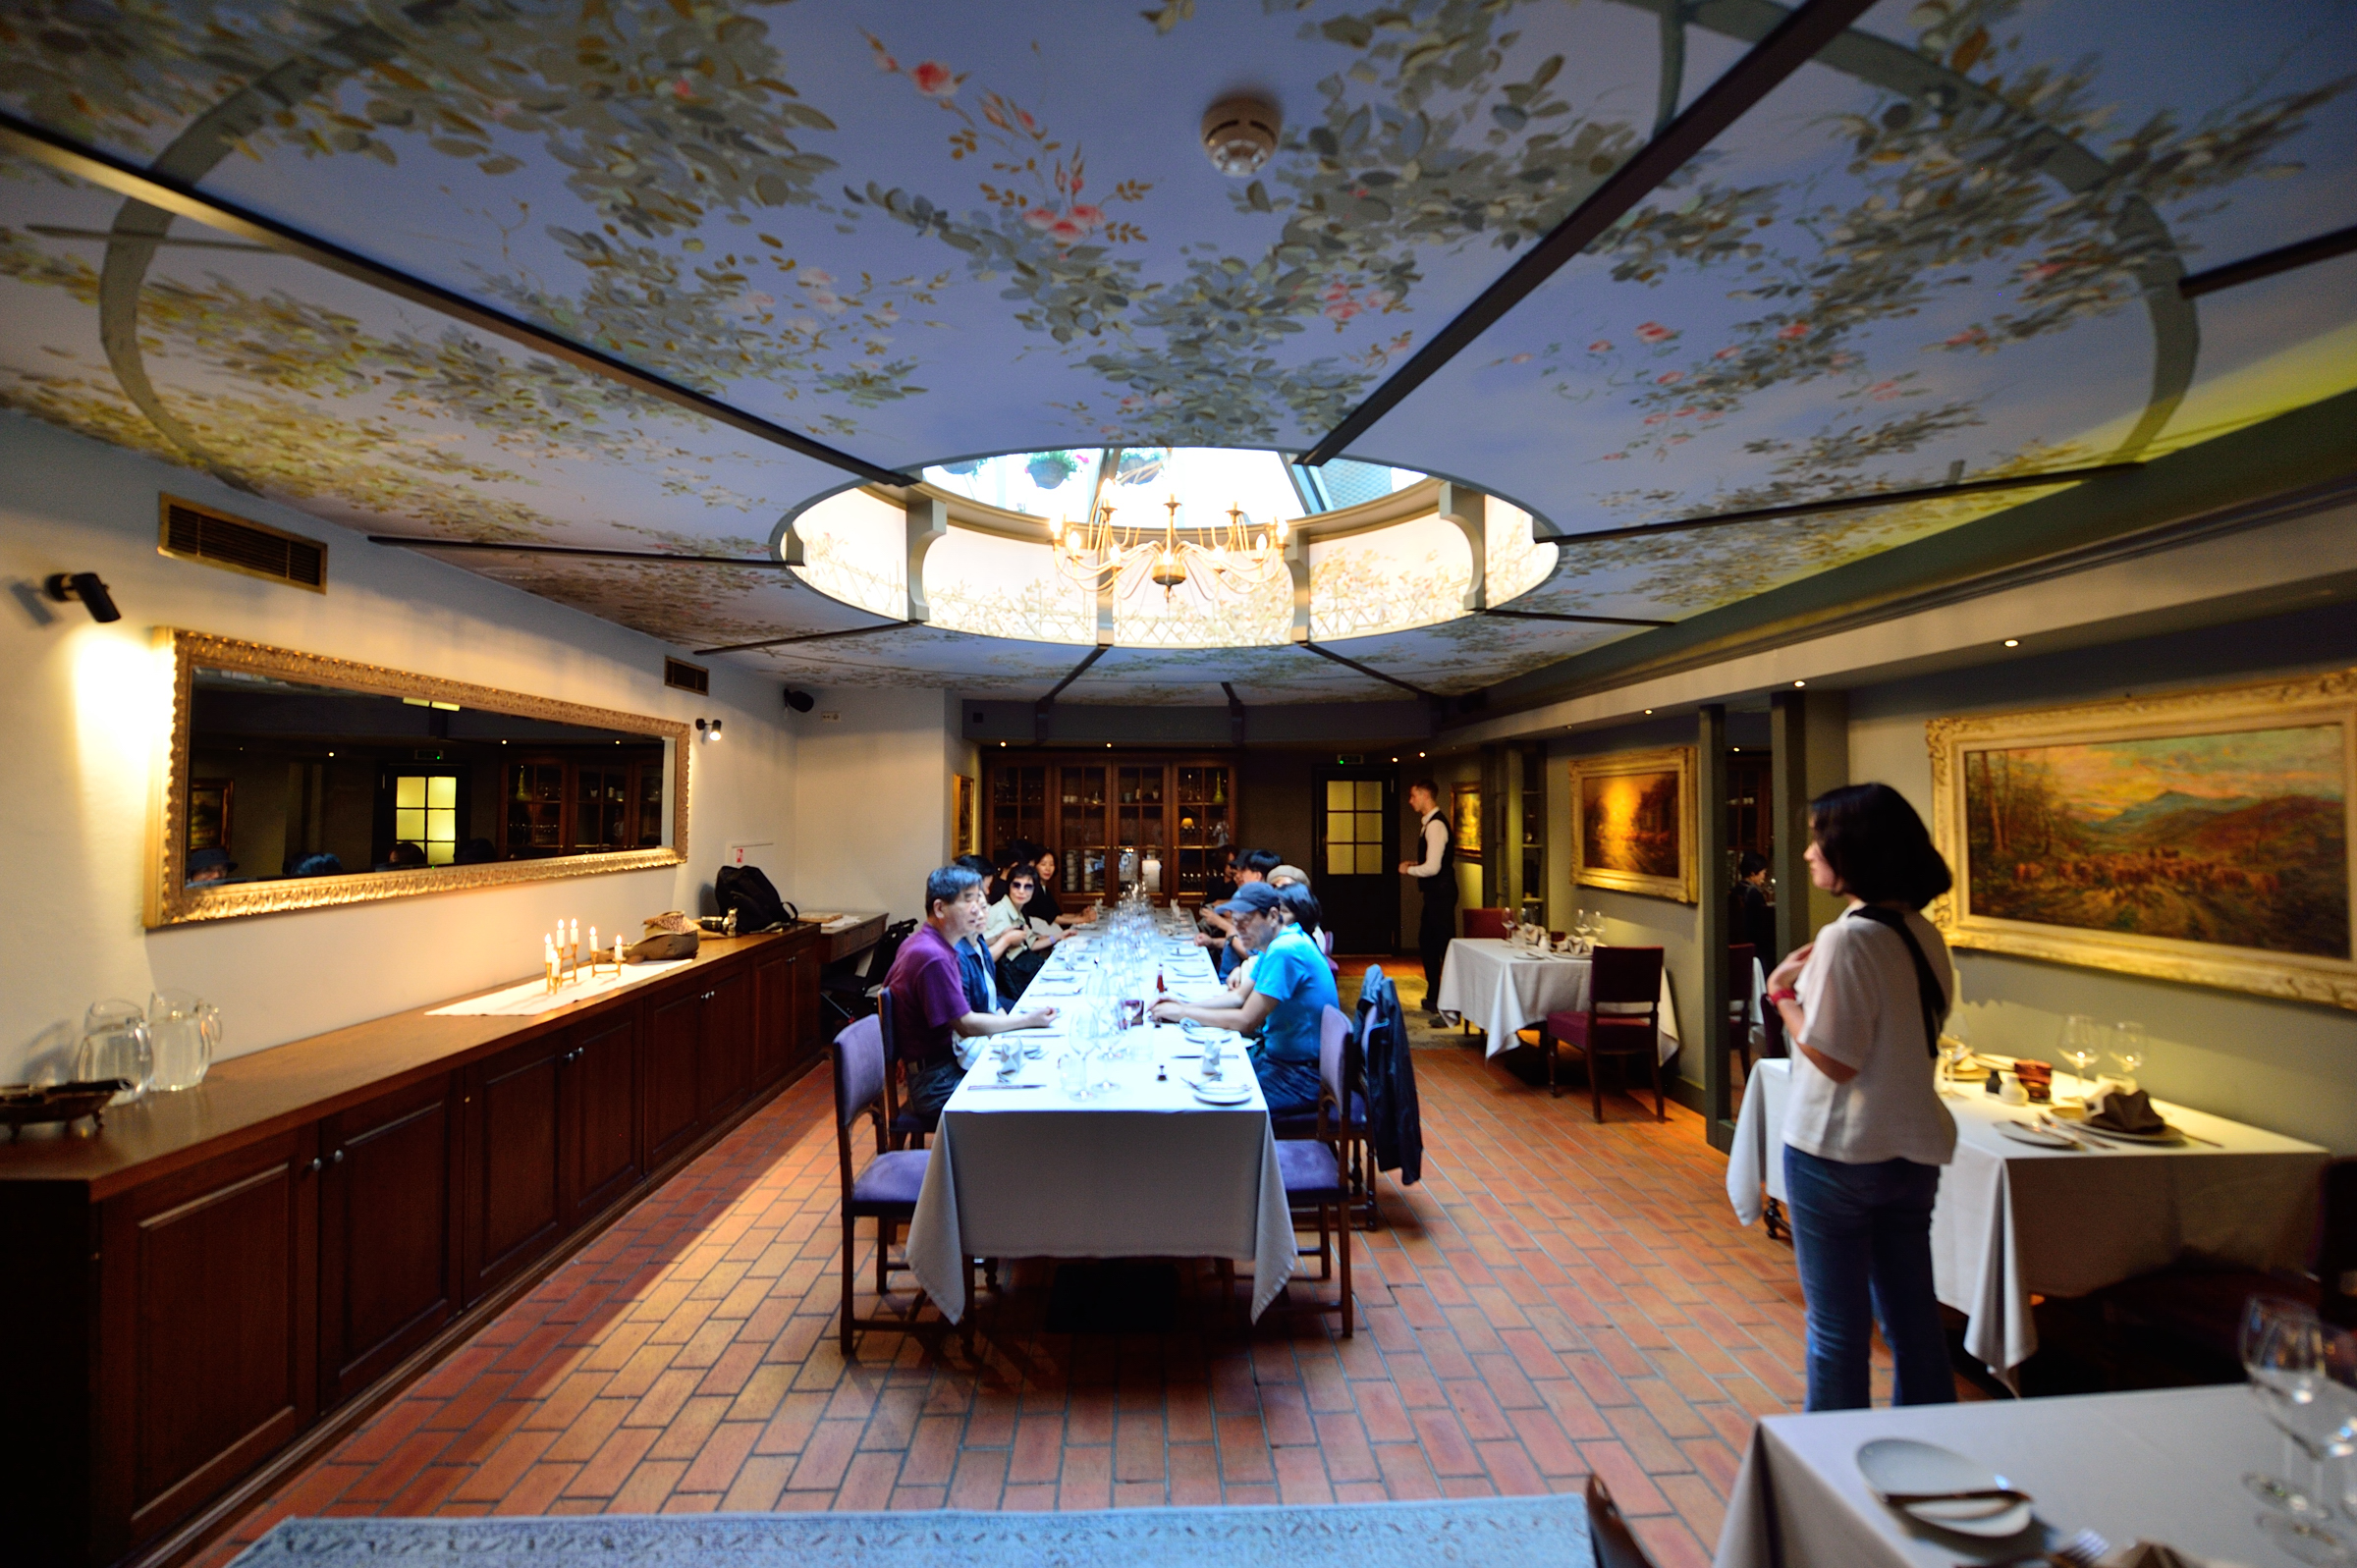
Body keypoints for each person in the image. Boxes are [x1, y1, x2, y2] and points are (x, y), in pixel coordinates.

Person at [1763, 783, 1958, 1412]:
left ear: (1854, 850)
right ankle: (1930, 1447)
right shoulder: (1922, 933)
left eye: (1818, 839)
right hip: (1912, 1151)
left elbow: (1834, 1059)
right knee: (1914, 1326)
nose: (1808, 853)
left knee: (1837, 1332)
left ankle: (1829, 1460)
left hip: (1838, 1153)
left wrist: (1782, 995)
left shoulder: (1847, 938)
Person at [883, 864, 1059, 1121]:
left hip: (942, 1065)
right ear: (940, 908)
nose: (978, 908)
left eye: (979, 898)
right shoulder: (933, 955)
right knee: (1027, 1101)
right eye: (968, 900)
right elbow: (965, 1025)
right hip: (937, 1081)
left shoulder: (928, 942)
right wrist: (1028, 1020)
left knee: (1031, 1075)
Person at [1153, 881, 1337, 1116]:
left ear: (1273, 916)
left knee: (1205, 1110)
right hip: (1279, 1059)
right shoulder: (1278, 942)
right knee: (1192, 1076)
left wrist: (1183, 1014)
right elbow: (1238, 997)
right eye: (1235, 921)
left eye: (1246, 921)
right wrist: (1183, 1005)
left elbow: (1246, 1020)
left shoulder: (1285, 950)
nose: (1238, 929)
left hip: (1301, 1075)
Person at [1398, 781, 1457, 1018]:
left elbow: (1433, 868)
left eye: (1413, 796)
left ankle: (1447, 1001)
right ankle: (1435, 996)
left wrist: (1409, 870)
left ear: (1424, 796)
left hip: (1440, 894)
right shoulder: (1429, 824)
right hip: (1436, 894)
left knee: (1441, 946)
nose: (1410, 801)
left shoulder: (1435, 826)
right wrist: (1416, 863)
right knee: (1429, 942)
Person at [983, 861, 1062, 1000]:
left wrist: (1060, 936)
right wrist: (1005, 939)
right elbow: (982, 950)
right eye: (1016, 885)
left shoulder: (1018, 910)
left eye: (1028, 887)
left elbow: (1031, 944)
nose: (1021, 891)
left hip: (1021, 971)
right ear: (1009, 886)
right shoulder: (1000, 912)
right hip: (1005, 981)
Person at [1732, 849, 1777, 964]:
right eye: (1763, 872)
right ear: (1753, 873)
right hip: (1756, 945)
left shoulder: (1736, 889)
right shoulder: (1753, 892)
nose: (1764, 876)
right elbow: (1762, 923)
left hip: (1739, 943)